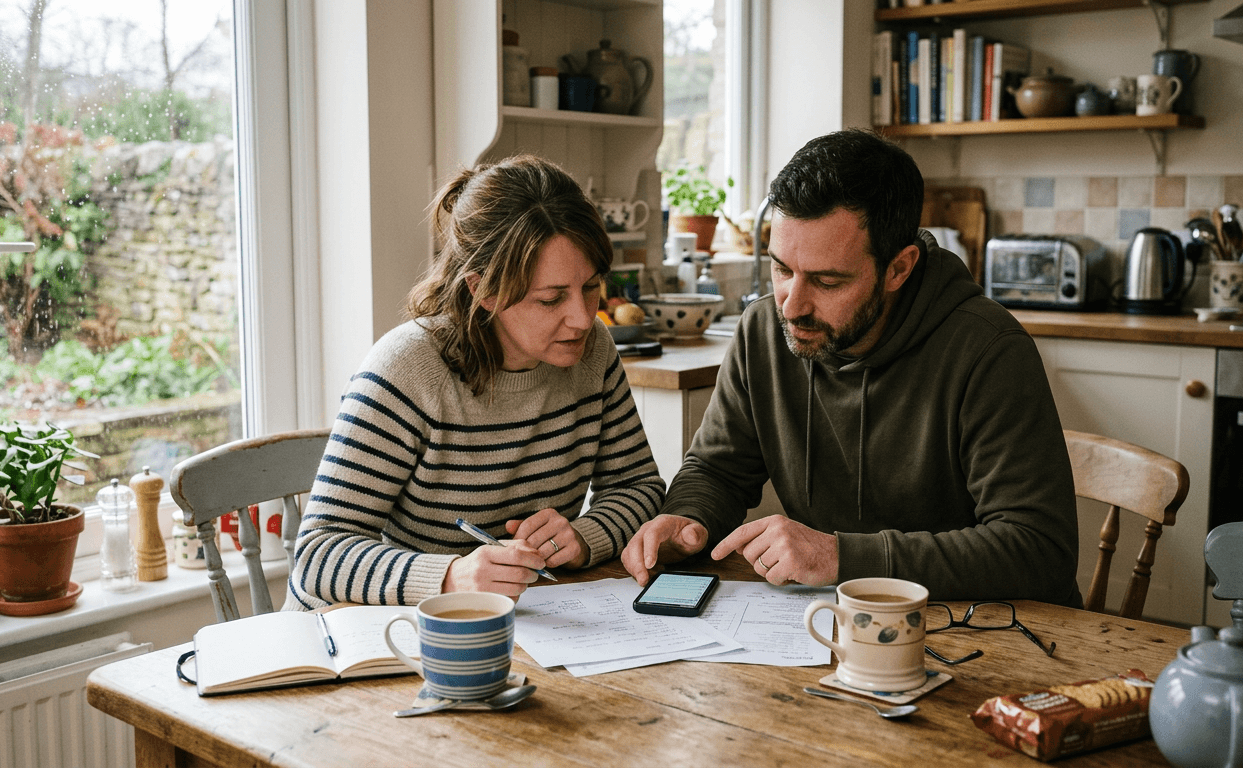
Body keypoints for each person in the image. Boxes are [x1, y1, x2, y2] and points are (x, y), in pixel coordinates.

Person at [621, 129, 1081, 605]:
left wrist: (841, 557)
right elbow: (716, 471)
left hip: (988, 631)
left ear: (898, 269)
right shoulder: (764, 329)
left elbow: (1040, 550)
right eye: (782, 269)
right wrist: (688, 518)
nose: (792, 306)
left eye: (827, 281)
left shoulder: (990, 350)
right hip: (833, 626)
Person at [285, 155, 665, 610]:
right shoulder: (409, 368)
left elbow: (639, 487)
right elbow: (319, 554)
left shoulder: (593, 352)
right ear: (483, 290)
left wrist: (584, 537)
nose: (583, 318)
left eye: (591, 286)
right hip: (355, 642)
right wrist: (451, 575)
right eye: (551, 299)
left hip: (510, 623)